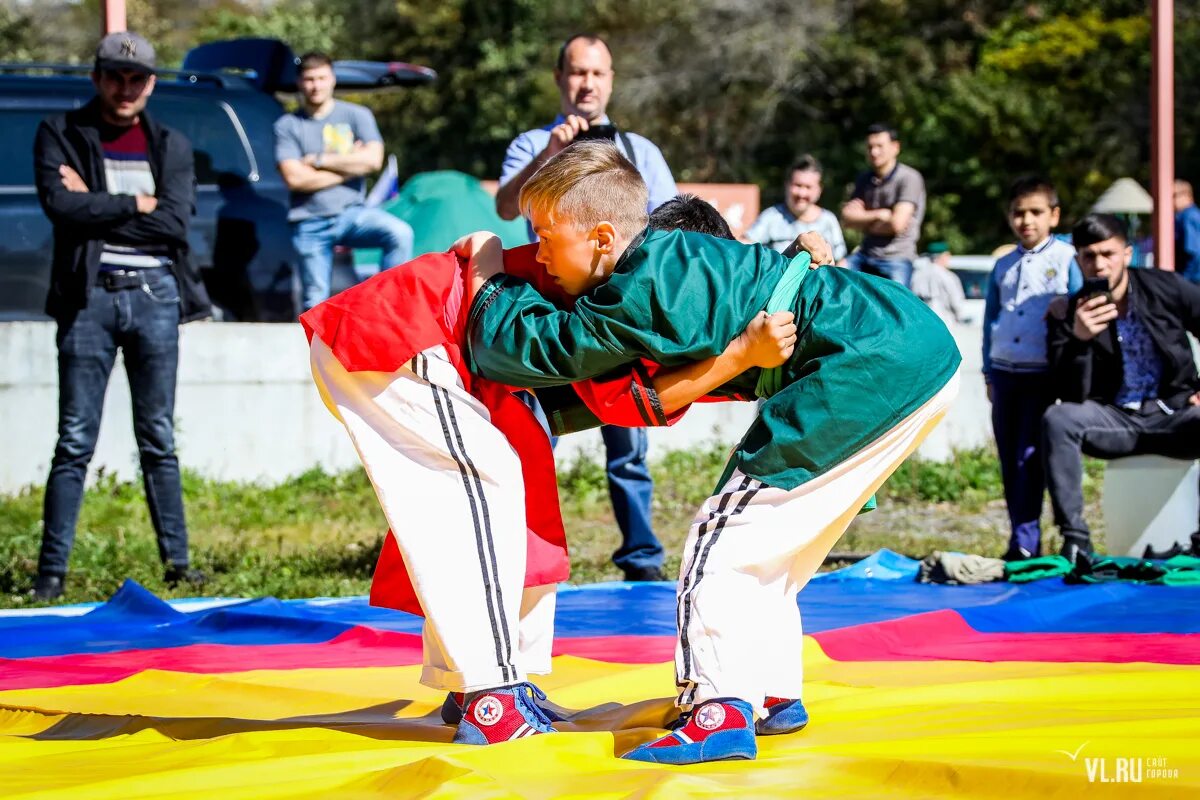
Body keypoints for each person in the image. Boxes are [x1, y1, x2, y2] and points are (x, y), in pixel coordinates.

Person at [463, 141, 960, 764]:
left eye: (543, 237)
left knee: (722, 537)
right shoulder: (682, 267)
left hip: (867, 363)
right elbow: (634, 386)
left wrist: (488, 282)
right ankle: (773, 692)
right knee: (775, 549)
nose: (536, 253)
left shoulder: (645, 281)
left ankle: (718, 708)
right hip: (910, 347)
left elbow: (548, 347)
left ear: (602, 238)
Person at [300, 192, 799, 746]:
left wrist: (806, 261)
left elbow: (644, 385)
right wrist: (736, 359)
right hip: (402, 333)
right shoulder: (628, 286)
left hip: (462, 364)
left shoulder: (656, 290)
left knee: (524, 494)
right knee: (480, 489)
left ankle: (486, 680)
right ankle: (490, 692)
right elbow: (626, 397)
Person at [30, 32, 212, 602]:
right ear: (96, 77)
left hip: (157, 296)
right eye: (114, 76)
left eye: (136, 78)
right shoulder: (60, 133)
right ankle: (50, 574)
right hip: (88, 299)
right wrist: (138, 203)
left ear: (151, 83)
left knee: (157, 437)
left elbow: (175, 225)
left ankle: (179, 565)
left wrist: (99, 207)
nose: (125, 87)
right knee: (74, 440)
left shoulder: (172, 144)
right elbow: (62, 207)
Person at [495, 33, 678, 582]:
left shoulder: (640, 150)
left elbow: (669, 221)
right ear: (559, 79)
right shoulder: (534, 142)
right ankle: (521, 552)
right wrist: (551, 159)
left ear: (611, 80)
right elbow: (506, 207)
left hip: (619, 316)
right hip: (549, 316)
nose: (587, 84)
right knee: (531, 435)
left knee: (628, 438)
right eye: (577, 72)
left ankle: (642, 557)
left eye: (597, 74)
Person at [1044, 213, 1200, 566]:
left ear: (1127, 254)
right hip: (1114, 421)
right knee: (1058, 419)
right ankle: (1077, 542)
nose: (1099, 264)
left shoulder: (1166, 287)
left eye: (1107, 253)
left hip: (1175, 415)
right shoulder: (1067, 312)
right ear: (1078, 260)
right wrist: (1079, 341)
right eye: (1088, 256)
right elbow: (1069, 395)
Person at [982, 177, 1082, 561]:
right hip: (1006, 372)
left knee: (1030, 454)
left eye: (1036, 212)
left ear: (1053, 216)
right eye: (1019, 213)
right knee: (1009, 456)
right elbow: (992, 319)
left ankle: (1032, 537)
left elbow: (1076, 311)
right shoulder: (1003, 265)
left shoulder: (1066, 259)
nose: (1027, 220)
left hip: (1041, 373)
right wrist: (989, 370)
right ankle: (1019, 538)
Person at [274, 51, 413, 311]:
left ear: (333, 79)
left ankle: (388, 307)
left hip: (352, 213)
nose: (316, 85)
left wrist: (317, 160)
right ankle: (316, 352)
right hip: (309, 220)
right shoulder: (288, 125)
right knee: (315, 302)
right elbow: (294, 179)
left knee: (400, 233)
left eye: (321, 78)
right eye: (309, 79)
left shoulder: (356, 115)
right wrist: (350, 165)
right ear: (300, 83)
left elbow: (373, 161)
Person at [841, 123, 926, 287]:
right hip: (864, 255)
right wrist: (880, 215)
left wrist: (863, 220)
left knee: (895, 308)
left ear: (895, 147)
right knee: (834, 275)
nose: (874, 152)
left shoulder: (909, 178)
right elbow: (847, 220)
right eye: (870, 147)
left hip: (897, 257)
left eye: (880, 146)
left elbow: (896, 224)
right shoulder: (864, 179)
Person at [744, 155, 846, 261]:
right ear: (786, 185)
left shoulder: (828, 220)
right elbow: (745, 247)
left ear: (819, 190)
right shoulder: (771, 216)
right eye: (797, 185)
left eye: (808, 187)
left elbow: (840, 260)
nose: (802, 193)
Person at [911, 241, 970, 326]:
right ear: (943, 256)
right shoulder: (948, 276)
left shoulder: (917, 274)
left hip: (922, 322)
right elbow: (956, 302)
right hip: (945, 322)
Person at [1174, 179, 1200, 284]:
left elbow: (1193, 252)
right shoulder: (1191, 215)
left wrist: (1184, 280)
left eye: (1174, 195)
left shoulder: (1188, 217)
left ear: (1187, 196)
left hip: (1193, 280)